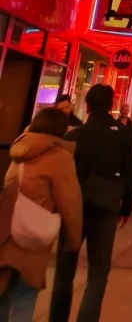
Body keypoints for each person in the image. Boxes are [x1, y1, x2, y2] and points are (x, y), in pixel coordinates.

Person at [50, 83, 132, 322]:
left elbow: (63, 174)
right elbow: (130, 173)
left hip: (74, 208)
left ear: (86, 107)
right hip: (106, 208)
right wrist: (126, 208)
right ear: (111, 105)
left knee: (64, 272)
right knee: (98, 274)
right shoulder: (122, 134)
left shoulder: (74, 135)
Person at [0, 108, 83, 322]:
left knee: (3, 293)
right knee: (25, 296)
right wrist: (73, 241)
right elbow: (70, 203)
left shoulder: (20, 149)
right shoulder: (59, 157)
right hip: (32, 237)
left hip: (6, 232)